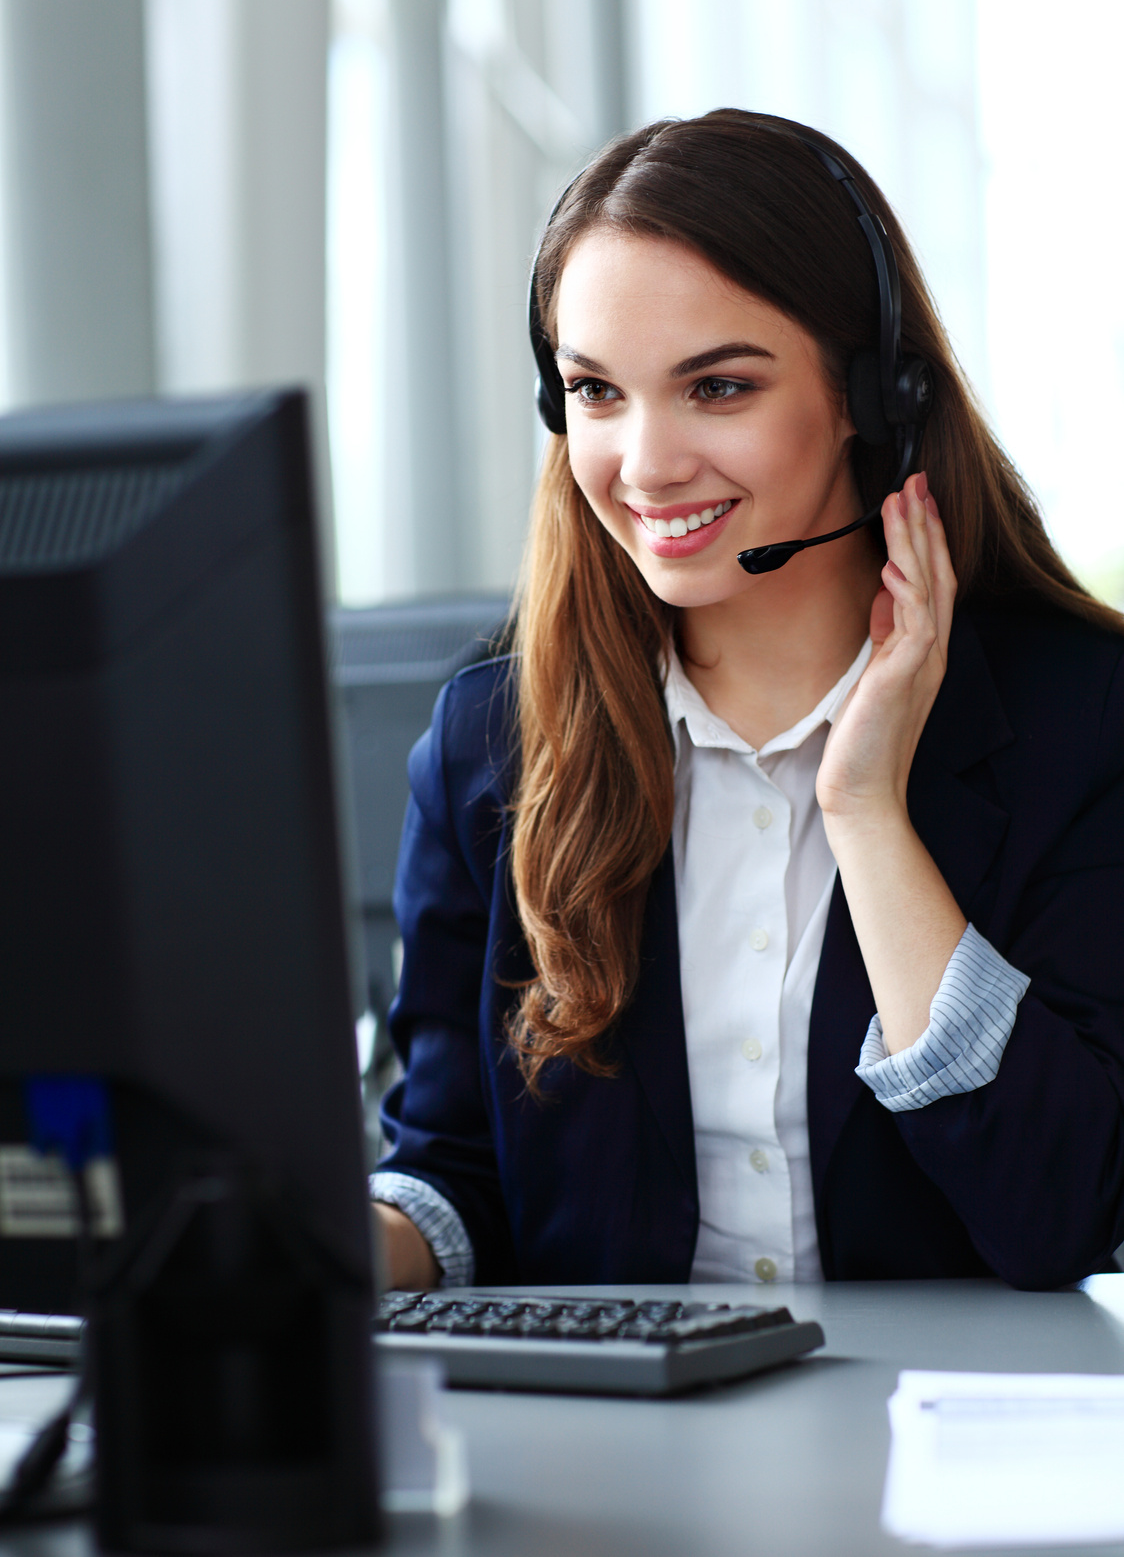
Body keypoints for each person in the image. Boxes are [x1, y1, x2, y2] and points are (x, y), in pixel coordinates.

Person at [372, 109, 1124, 1293]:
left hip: (932, 1454)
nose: (645, 461)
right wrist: (327, 1242)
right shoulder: (491, 745)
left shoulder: (1076, 723)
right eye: (595, 392)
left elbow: (1061, 1210)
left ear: (869, 396)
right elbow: (454, 1171)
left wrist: (866, 809)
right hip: (616, 1457)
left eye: (715, 386)